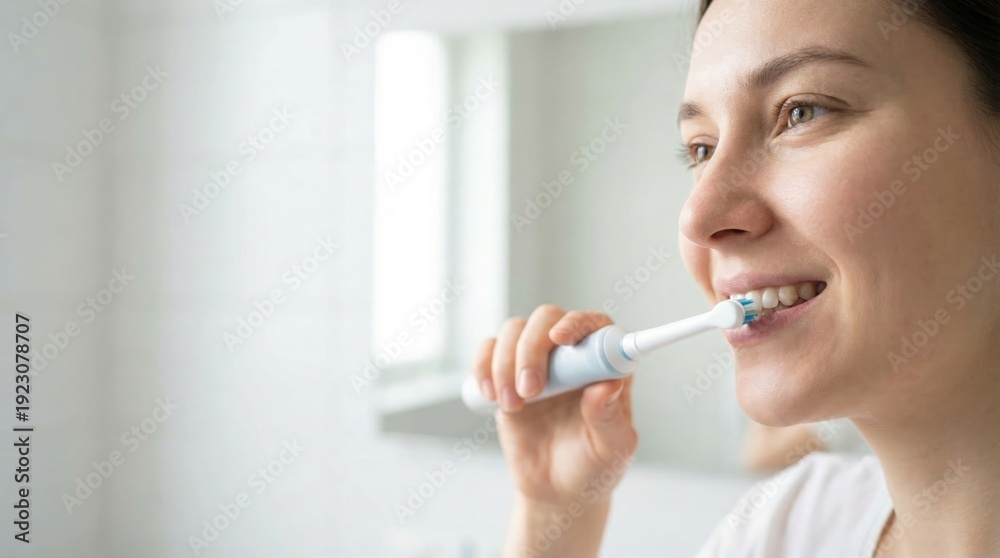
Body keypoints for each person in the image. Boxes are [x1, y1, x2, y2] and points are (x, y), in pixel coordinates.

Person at [468, 0, 1000, 556]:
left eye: (803, 112)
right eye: (701, 148)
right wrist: (556, 515)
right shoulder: (787, 527)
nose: (697, 217)